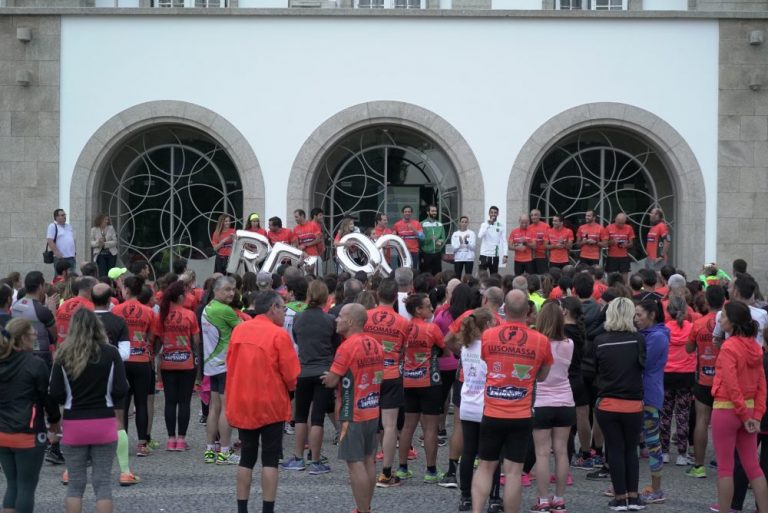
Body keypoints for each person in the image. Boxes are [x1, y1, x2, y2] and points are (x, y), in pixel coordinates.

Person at [471, 290, 553, 513]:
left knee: (485, 466)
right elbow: (542, 376)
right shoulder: (541, 340)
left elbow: (486, 361)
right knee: (514, 473)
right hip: (521, 414)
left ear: (504, 310)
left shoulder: (488, 336)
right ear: (528, 311)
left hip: (492, 412)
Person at [227, 290, 300, 513]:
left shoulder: (239, 330)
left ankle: (242, 508)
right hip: (271, 403)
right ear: (272, 308)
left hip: (243, 401)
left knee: (246, 458)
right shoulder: (278, 335)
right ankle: (268, 509)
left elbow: (230, 363)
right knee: (270, 459)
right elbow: (292, 376)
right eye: (282, 308)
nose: (284, 312)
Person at [49, 308, 128, 513]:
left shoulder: (63, 354)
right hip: (104, 421)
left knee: (75, 485)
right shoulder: (111, 352)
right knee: (102, 484)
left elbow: (55, 392)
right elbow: (121, 389)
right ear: (98, 327)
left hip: (74, 423)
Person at [321, 303, 384, 513]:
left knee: (355, 463)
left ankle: (363, 510)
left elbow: (332, 380)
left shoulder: (347, 347)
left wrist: (327, 377)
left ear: (349, 321)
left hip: (351, 413)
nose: (336, 320)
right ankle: (366, 508)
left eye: (340, 317)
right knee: (368, 461)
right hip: (372, 408)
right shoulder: (375, 343)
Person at [711, 301, 768, 513]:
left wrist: (743, 415)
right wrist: (756, 416)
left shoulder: (729, 347)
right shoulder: (756, 347)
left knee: (725, 468)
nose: (721, 319)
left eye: (724, 316)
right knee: (753, 466)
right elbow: (762, 386)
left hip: (726, 409)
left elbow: (731, 385)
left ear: (733, 322)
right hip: (751, 410)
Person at [0, 318, 61, 513]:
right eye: (32, 333)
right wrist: (55, 421)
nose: (35, 335)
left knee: (12, 485)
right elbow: (47, 398)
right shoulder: (35, 364)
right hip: (28, 432)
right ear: (24, 337)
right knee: (26, 486)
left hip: (2, 433)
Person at [591, 297, 646, 511]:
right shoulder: (638, 339)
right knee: (630, 450)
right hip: (633, 402)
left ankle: (620, 498)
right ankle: (634, 497)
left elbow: (595, 370)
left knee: (614, 449)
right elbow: (643, 365)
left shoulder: (600, 341)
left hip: (608, 402)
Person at [281, 280, 338, 474]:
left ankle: (298, 457)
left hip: (303, 370)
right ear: (325, 297)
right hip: (323, 372)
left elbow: (297, 340)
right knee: (317, 418)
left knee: (300, 416)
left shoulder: (298, 318)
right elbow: (335, 344)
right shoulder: (330, 320)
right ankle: (315, 460)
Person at [454, 308, 501, 512]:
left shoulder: (466, 346)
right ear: (488, 325)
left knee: (468, 452)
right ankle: (494, 497)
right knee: (491, 456)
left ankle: (465, 496)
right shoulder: (489, 347)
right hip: (486, 405)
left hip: (467, 404)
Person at [397, 293, 448, 483]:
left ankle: (402, 468)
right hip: (429, 382)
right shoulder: (432, 328)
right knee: (430, 428)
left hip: (408, 381)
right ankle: (431, 471)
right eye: (427, 306)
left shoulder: (404, 327)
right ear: (418, 310)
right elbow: (446, 350)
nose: (432, 308)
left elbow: (399, 350)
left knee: (407, 426)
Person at [530, 302, 575, 513]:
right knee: (561, 451)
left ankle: (543, 499)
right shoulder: (569, 343)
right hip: (565, 400)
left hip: (541, 401)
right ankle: (559, 498)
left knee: (542, 453)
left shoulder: (537, 343)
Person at [363, 278, 409, 488]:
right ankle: (386, 474)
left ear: (378, 294)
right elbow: (404, 350)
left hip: (368, 374)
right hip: (390, 374)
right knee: (390, 426)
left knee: (368, 423)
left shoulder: (365, 316)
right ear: (395, 297)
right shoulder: (402, 322)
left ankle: (365, 469)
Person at [92, 283, 139, 486]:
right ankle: (125, 472)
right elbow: (126, 354)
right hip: (112, 374)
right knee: (118, 421)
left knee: (81, 416)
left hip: (84, 375)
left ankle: (70, 471)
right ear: (111, 299)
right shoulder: (119, 321)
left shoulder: (82, 320)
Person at [153, 281, 200, 452]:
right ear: (180, 297)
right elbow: (196, 341)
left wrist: (154, 358)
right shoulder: (190, 315)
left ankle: (170, 439)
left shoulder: (162, 315)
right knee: (184, 401)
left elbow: (157, 341)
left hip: (167, 362)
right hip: (186, 362)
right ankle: (181, 439)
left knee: (170, 401)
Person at [112, 275, 155, 458]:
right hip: (142, 360)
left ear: (127, 290)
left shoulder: (116, 310)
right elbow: (152, 338)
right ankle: (142, 444)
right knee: (141, 402)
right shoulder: (149, 311)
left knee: (122, 404)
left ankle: (122, 443)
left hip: (122, 361)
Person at [685, 284, 725, 478]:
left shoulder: (699, 323)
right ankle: (724, 464)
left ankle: (699, 466)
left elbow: (689, 349)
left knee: (702, 419)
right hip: (724, 379)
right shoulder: (728, 323)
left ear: (707, 302)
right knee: (724, 421)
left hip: (703, 378)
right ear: (724, 301)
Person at [202, 276, 242, 464]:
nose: (231, 293)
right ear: (216, 290)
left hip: (212, 366)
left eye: (233, 289)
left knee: (214, 408)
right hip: (225, 366)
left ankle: (210, 449)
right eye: (227, 289)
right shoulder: (225, 310)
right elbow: (244, 330)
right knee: (226, 409)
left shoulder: (208, 307)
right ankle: (225, 451)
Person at [634, 299, 670, 504]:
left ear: (652, 315)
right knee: (630, 441)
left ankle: (657, 489)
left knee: (652, 442)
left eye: (639, 315)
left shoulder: (657, 337)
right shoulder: (646, 334)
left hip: (648, 395)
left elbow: (643, 363)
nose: (636, 319)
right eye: (635, 315)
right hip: (637, 393)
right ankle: (626, 485)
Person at [660, 295, 695, 466]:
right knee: (683, 415)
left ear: (668, 311)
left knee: (665, 414)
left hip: (667, 374)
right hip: (686, 374)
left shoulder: (665, 329)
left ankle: (664, 452)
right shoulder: (692, 328)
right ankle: (682, 453)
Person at [55, 276, 97, 345]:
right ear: (91, 289)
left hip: (62, 347)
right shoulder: (91, 307)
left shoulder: (63, 304)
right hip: (80, 348)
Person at [601, 213, 635, 280]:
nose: (621, 225)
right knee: (611, 279)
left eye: (622, 223)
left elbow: (631, 244)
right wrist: (612, 242)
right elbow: (604, 244)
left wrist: (626, 245)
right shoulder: (609, 227)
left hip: (624, 257)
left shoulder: (629, 228)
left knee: (624, 280)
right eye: (619, 223)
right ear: (615, 220)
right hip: (612, 257)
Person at [477, 206, 507, 275]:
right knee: (481, 276)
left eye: (495, 213)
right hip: (484, 255)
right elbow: (480, 236)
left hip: (494, 255)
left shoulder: (501, 226)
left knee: (494, 276)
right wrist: (488, 225)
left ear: (498, 214)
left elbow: (504, 241)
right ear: (489, 213)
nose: (493, 214)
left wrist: (505, 255)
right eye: (491, 212)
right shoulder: (484, 224)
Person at [392, 205, 424, 271]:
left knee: (413, 271)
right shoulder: (397, 224)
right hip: (402, 251)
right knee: (401, 271)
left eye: (409, 212)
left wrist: (413, 229)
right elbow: (394, 238)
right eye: (405, 212)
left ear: (411, 213)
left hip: (414, 251)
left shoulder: (416, 223)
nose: (407, 213)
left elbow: (422, 237)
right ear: (403, 213)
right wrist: (394, 235)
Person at [293, 209, 323, 276]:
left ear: (302, 216)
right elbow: (297, 245)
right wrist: (303, 252)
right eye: (295, 217)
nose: (295, 219)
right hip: (304, 257)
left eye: (296, 217)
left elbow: (319, 239)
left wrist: (306, 245)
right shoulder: (295, 229)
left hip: (314, 255)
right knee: (306, 278)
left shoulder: (313, 225)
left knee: (317, 277)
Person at [420, 204, 446, 275]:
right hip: (426, 253)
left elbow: (443, 237)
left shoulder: (440, 224)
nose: (435, 212)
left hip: (437, 253)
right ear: (427, 212)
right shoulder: (422, 224)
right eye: (433, 211)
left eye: (435, 211)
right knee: (426, 274)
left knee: (437, 274)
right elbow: (420, 239)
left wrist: (440, 241)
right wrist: (429, 239)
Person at [90, 214, 118, 278]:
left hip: (111, 253)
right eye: (105, 219)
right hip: (100, 254)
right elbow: (91, 243)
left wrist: (105, 244)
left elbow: (115, 241)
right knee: (102, 273)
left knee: (111, 273)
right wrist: (98, 243)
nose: (107, 221)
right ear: (100, 220)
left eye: (107, 219)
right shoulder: (94, 230)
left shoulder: (111, 228)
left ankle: (111, 284)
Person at [527, 209, 550, 275]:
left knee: (543, 277)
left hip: (542, 256)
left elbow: (547, 241)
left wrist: (534, 242)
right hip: (530, 257)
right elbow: (527, 242)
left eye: (535, 215)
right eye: (531, 215)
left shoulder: (546, 226)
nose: (533, 217)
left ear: (539, 216)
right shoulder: (528, 227)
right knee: (532, 277)